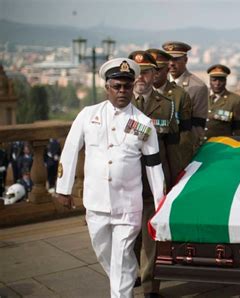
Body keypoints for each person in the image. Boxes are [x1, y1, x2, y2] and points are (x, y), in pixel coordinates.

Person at [55, 58, 165, 298]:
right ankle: (126, 274)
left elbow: (153, 166)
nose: (122, 91)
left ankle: (122, 290)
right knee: (105, 253)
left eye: (127, 86)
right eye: (117, 86)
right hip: (96, 203)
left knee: (122, 255)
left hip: (128, 205)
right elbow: (70, 150)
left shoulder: (143, 123)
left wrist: (160, 204)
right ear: (107, 87)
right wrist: (63, 189)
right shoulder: (87, 115)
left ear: (133, 86)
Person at [128, 50, 179, 298]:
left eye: (146, 72)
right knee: (129, 236)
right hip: (126, 184)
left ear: (153, 74)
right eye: (137, 73)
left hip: (153, 182)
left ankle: (150, 287)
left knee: (151, 238)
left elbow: (173, 148)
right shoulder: (120, 105)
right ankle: (133, 274)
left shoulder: (167, 106)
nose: (141, 78)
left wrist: (175, 181)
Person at [147, 48, 194, 174]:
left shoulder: (180, 95)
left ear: (167, 69)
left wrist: (180, 164)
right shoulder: (138, 95)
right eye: (150, 70)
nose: (154, 74)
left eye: (158, 69)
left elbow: (185, 134)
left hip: (168, 159)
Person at [162, 41, 208, 151]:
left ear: (185, 60)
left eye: (176, 59)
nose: (171, 63)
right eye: (168, 59)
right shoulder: (160, 81)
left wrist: (185, 147)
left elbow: (198, 126)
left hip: (181, 147)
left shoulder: (197, 86)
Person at [204, 64, 240, 140]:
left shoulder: (235, 100)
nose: (217, 83)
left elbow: (239, 130)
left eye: (221, 80)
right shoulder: (201, 97)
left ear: (226, 81)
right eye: (214, 80)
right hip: (200, 145)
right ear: (209, 81)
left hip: (221, 146)